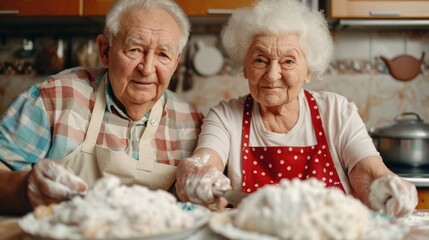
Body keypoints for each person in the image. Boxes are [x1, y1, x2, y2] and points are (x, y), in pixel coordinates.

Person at [175, 0, 418, 217]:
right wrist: (196, 171)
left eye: (288, 61)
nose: (272, 75)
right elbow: (206, 161)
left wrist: (387, 186)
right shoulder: (226, 116)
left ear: (309, 70)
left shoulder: (337, 111)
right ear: (245, 67)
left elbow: (368, 172)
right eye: (259, 60)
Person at [0, 0, 203, 215]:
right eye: (135, 50)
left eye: (163, 54)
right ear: (105, 51)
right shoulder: (55, 99)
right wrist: (24, 189)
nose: (147, 69)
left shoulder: (191, 121)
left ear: (176, 62)